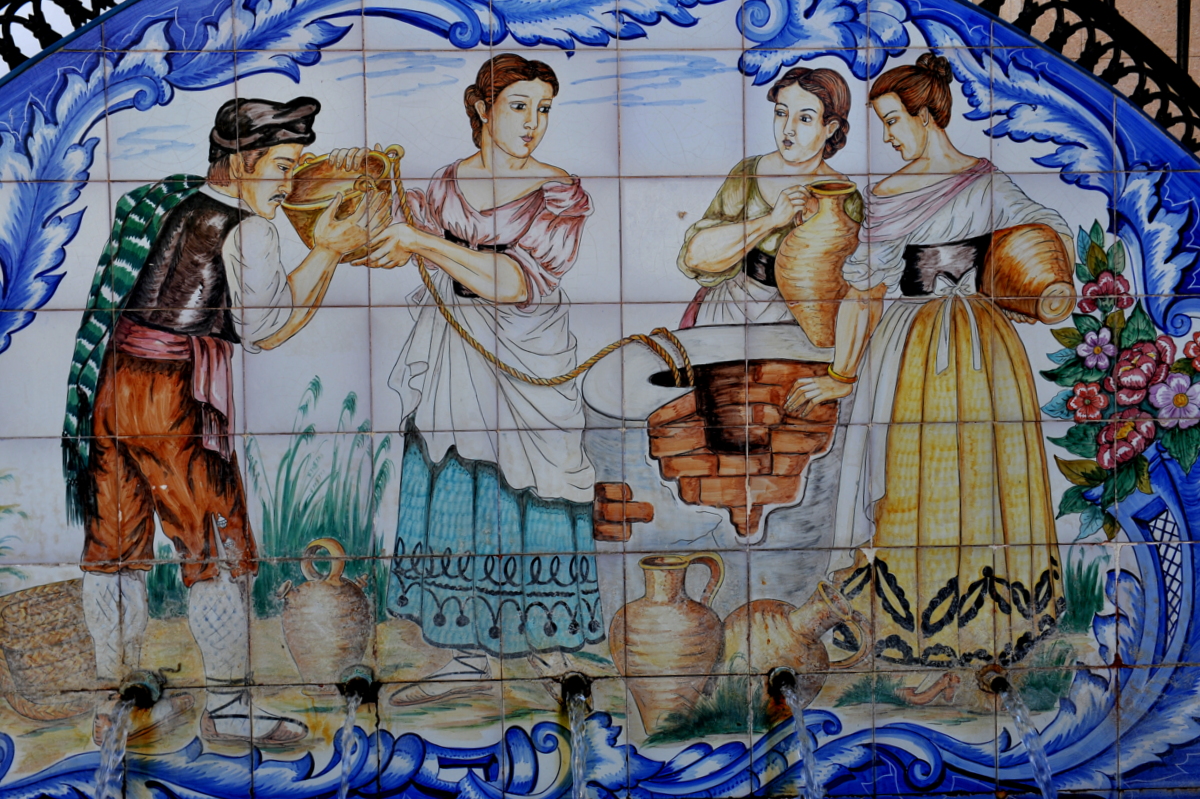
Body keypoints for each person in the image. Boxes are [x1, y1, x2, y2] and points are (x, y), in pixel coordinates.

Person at [62, 97, 384, 744]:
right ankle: (230, 707)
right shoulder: (249, 230)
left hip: (115, 383)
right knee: (216, 544)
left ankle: (111, 702)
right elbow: (266, 329)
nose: (289, 183)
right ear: (240, 165)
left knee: (116, 547)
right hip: (173, 397)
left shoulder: (176, 204)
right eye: (282, 166)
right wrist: (326, 250)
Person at [787, 54, 1068, 684]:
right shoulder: (888, 194)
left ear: (926, 115)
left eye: (892, 120)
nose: (887, 136)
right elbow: (864, 291)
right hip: (909, 350)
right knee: (909, 486)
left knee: (985, 483)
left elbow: (1045, 231)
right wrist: (842, 373)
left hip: (983, 349)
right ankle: (917, 636)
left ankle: (984, 636)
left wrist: (1029, 275)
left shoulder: (986, 182)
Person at [354, 53, 602, 706]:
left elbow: (514, 283)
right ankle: (466, 653)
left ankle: (549, 646)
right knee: (459, 480)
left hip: (527, 360)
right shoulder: (446, 182)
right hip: (454, 355)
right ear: (482, 107)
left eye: (544, 109)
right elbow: (403, 247)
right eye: (519, 106)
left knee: (538, 483)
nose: (533, 122)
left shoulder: (557, 193)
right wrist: (380, 219)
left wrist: (421, 241)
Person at [677, 66, 862, 329]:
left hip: (807, 321)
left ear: (830, 127)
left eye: (805, 119)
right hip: (730, 308)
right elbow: (695, 257)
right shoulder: (749, 173)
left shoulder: (845, 195)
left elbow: (856, 280)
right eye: (781, 113)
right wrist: (771, 220)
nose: (788, 129)